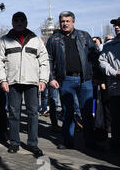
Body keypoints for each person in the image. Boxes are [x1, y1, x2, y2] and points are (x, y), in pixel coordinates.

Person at [0, 12, 49, 157]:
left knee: (33, 113)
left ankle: (33, 144)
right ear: (12, 22)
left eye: (22, 20)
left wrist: (43, 79)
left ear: (26, 22)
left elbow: (44, 61)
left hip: (32, 82)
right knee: (13, 113)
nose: (19, 22)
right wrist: (2, 80)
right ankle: (14, 142)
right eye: (16, 20)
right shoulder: (5, 40)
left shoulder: (36, 40)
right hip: (13, 82)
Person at [46, 11, 99, 150]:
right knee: (67, 112)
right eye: (63, 21)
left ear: (73, 22)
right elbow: (48, 60)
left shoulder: (84, 36)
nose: (65, 24)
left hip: (85, 79)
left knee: (87, 112)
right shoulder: (54, 39)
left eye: (68, 21)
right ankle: (68, 141)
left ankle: (90, 141)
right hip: (66, 80)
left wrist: (96, 77)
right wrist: (51, 78)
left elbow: (94, 57)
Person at [98, 17, 120, 153]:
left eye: (119, 24)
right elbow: (102, 62)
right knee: (116, 120)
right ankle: (116, 145)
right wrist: (114, 72)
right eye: (116, 25)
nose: (117, 27)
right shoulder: (109, 46)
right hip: (116, 88)